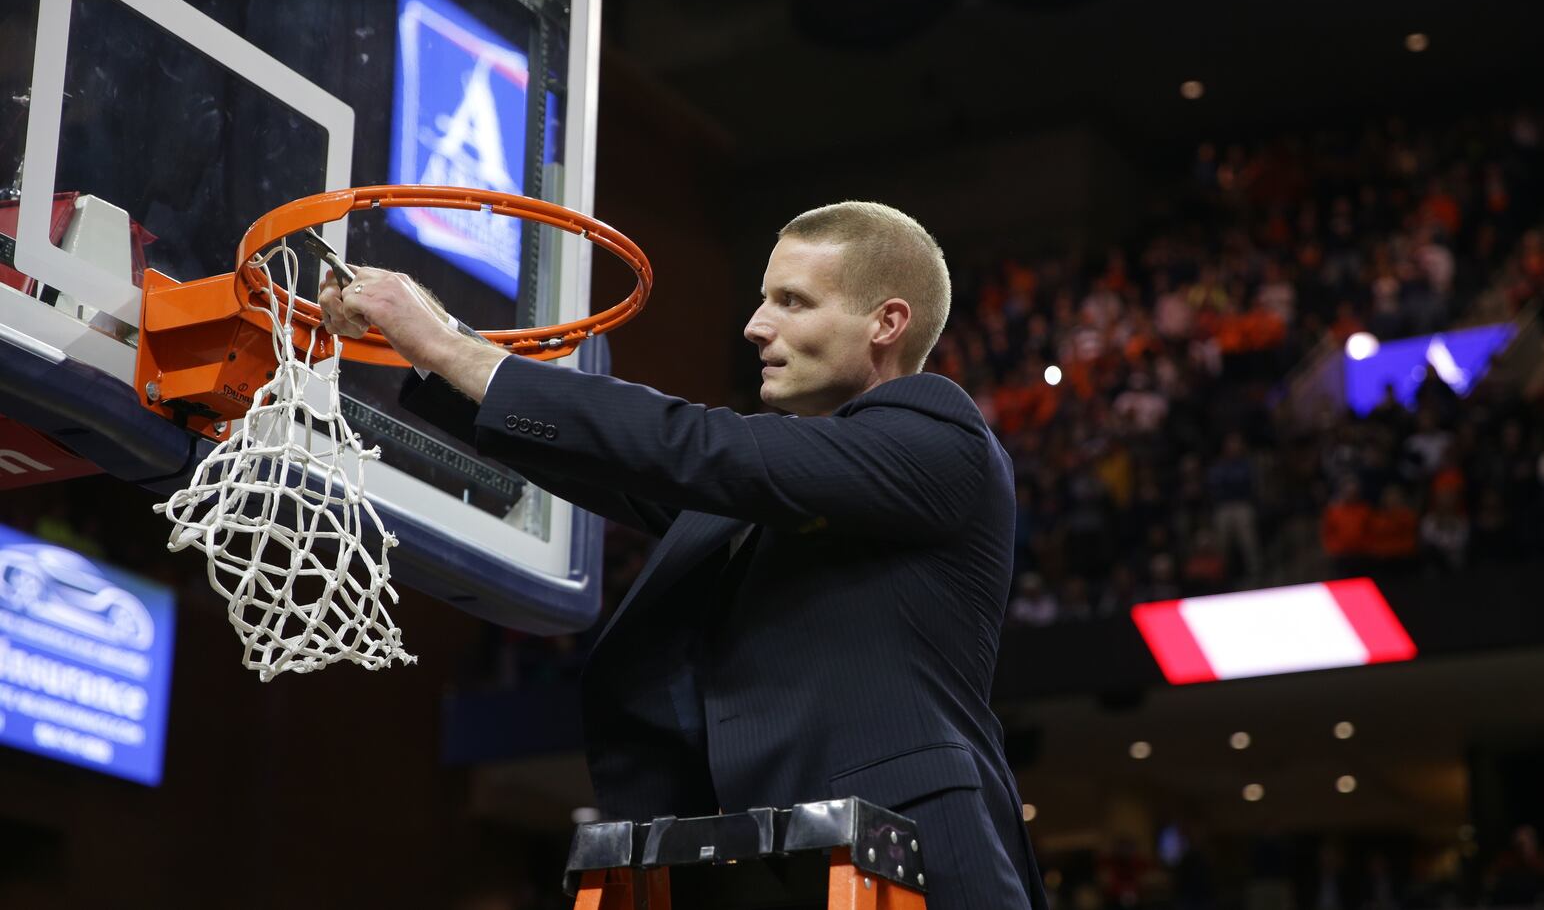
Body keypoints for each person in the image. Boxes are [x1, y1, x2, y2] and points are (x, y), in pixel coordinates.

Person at [319, 201, 1048, 910]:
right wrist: (417, 343)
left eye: (792, 301)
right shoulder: (775, 487)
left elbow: (696, 445)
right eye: (764, 298)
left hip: (915, 857)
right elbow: (619, 462)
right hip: (771, 861)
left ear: (886, 322)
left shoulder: (939, 436)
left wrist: (451, 347)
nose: (756, 325)